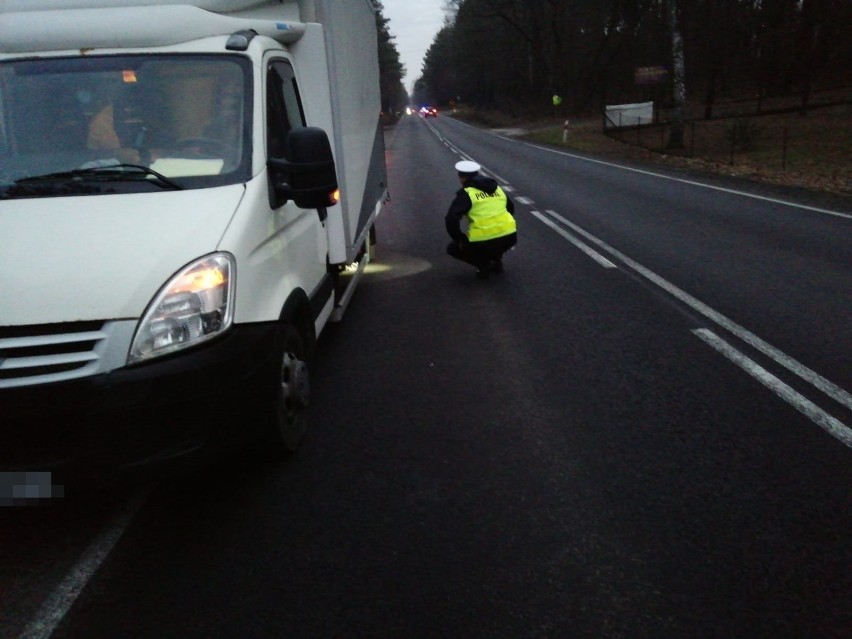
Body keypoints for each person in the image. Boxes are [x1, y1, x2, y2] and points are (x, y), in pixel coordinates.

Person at [445, 160, 517, 279]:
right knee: (496, 244)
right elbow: (510, 208)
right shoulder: (497, 188)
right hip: (510, 237)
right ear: (477, 174)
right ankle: (496, 260)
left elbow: (451, 219)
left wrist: (459, 238)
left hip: (482, 241)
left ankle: (483, 265)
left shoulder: (467, 193)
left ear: (461, 178)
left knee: (453, 248)